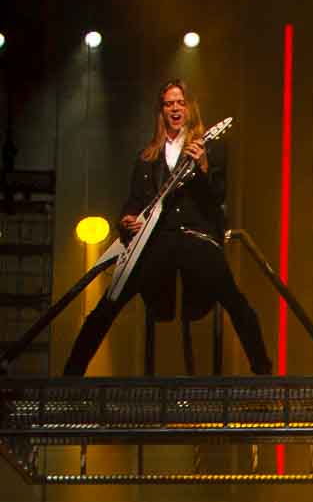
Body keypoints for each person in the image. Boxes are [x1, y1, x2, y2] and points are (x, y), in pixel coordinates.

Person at [63, 79, 272, 377]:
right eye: (168, 104)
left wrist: (202, 166)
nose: (175, 108)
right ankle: (70, 376)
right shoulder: (147, 156)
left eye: (180, 103)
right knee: (110, 301)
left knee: (235, 301)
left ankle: (263, 373)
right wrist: (127, 219)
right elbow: (134, 200)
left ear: (190, 108)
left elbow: (218, 196)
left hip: (195, 238)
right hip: (155, 241)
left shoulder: (212, 148)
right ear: (161, 111)